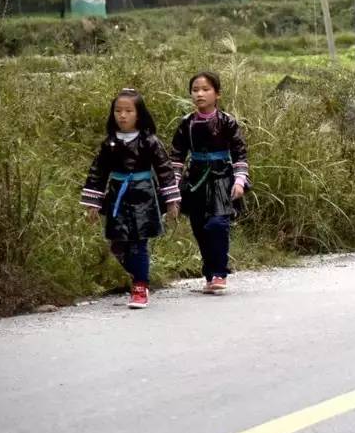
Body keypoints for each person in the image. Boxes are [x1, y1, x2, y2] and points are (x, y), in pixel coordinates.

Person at [81, 89, 180, 309]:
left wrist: (172, 201)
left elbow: (164, 170)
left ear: (139, 114)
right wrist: (93, 204)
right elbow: (98, 172)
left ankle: (140, 286)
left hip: (143, 194)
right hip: (117, 194)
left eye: (128, 111)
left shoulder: (149, 141)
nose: (122, 115)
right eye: (118, 111)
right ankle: (136, 275)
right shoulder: (109, 143)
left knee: (138, 241)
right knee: (118, 243)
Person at [169, 71, 249, 293]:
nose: (200, 94)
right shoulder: (187, 124)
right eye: (195, 90)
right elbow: (176, 157)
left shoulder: (227, 122)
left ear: (217, 94)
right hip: (195, 180)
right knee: (199, 227)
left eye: (205, 89)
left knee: (217, 224)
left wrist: (240, 181)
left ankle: (219, 273)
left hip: (222, 177)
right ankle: (209, 273)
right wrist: (174, 185)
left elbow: (240, 154)